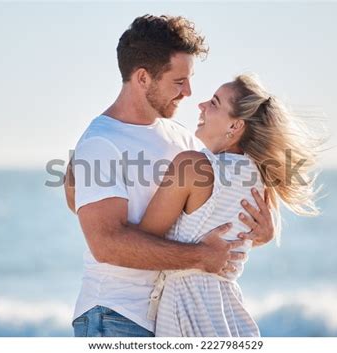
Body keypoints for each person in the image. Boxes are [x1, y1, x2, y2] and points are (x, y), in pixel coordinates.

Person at [64, 15, 275, 337]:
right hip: (115, 315)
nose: (189, 92)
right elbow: (106, 244)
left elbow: (205, 222)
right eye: (179, 82)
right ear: (143, 78)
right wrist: (201, 257)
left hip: (170, 318)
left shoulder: (183, 138)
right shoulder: (101, 143)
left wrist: (260, 232)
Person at [135, 75, 322, 336]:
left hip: (188, 311)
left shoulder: (192, 166)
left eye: (214, 103)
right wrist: (264, 238)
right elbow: (236, 236)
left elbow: (141, 243)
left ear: (235, 126)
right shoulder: (258, 178)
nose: (201, 106)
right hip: (229, 313)